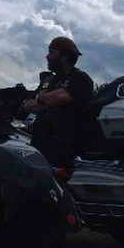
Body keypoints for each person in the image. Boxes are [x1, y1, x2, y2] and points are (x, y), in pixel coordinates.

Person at [23, 36, 94, 170]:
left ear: (64, 56)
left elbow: (60, 97)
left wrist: (42, 99)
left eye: (51, 52)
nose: (47, 56)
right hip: (40, 147)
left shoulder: (80, 78)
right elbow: (28, 105)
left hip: (65, 151)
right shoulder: (50, 79)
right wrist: (44, 100)